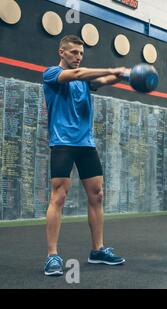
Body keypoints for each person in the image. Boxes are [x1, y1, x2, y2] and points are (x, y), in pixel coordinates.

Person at [43, 35, 126, 276]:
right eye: (73, 53)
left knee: (97, 195)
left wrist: (125, 75)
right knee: (59, 196)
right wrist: (114, 69)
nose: (78, 57)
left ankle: (98, 249)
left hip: (86, 143)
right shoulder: (51, 74)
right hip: (62, 143)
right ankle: (52, 256)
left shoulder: (85, 80)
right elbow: (79, 75)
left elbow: (103, 79)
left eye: (81, 53)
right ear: (61, 52)